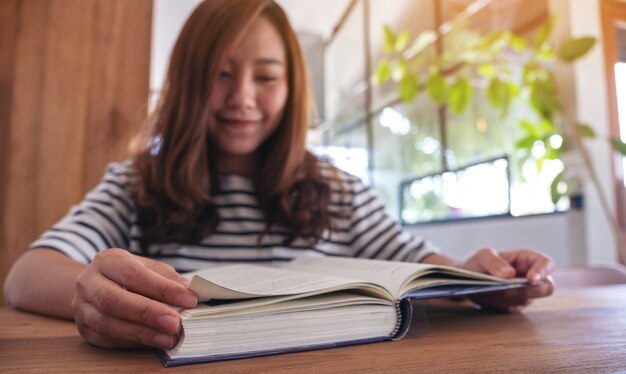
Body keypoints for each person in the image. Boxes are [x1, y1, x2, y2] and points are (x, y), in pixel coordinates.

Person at [4, 0, 554, 351]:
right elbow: (27, 274)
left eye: (266, 76)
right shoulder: (135, 185)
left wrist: (477, 275)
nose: (242, 99)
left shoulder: (340, 190)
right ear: (187, 85)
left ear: (292, 90)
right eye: (221, 75)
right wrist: (94, 293)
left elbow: (413, 259)